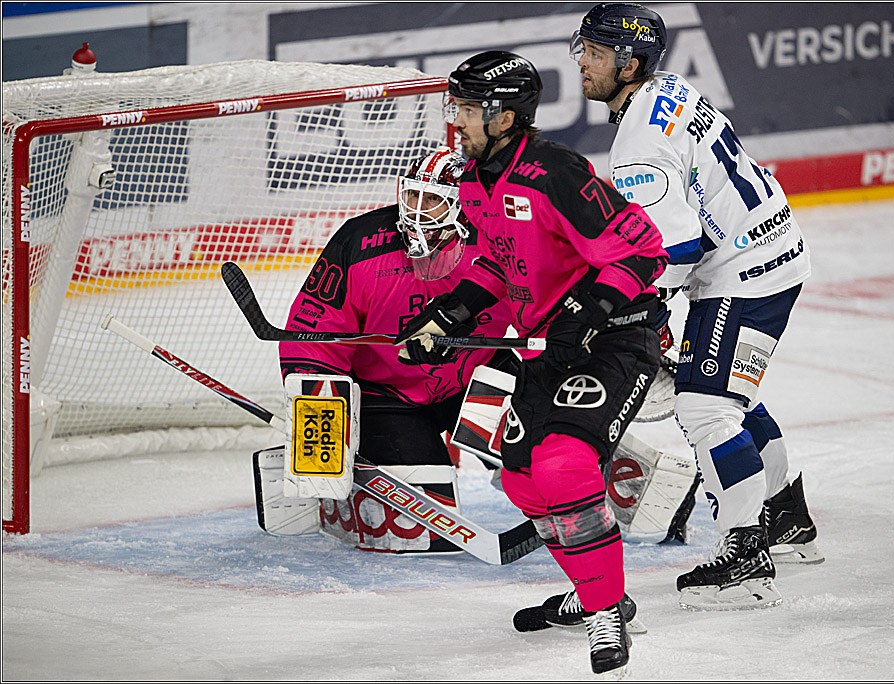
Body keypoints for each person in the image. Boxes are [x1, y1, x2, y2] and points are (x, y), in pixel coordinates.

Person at [395, 51, 668, 676]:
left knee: (564, 464)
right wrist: (444, 319)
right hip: (544, 347)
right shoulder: (473, 180)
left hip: (614, 340)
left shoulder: (555, 174)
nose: (457, 120)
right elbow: (497, 265)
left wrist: (584, 311)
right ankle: (598, 590)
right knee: (521, 478)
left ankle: (604, 614)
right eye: (457, 107)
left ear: (504, 116)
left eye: (468, 109)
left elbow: (644, 252)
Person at [571, 3, 824, 611]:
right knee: (730, 393)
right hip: (771, 249)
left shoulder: (637, 144)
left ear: (629, 64)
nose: (582, 63)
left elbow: (679, 245)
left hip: (745, 272)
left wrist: (642, 308)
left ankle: (745, 557)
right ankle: (786, 517)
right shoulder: (666, 87)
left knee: (706, 407)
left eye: (597, 53)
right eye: (583, 49)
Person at [272, 145, 517, 555]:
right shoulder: (360, 241)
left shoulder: (499, 241)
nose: (417, 209)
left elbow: (542, 309)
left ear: (464, 204)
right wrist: (318, 415)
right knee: (427, 534)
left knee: (546, 461)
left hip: (475, 379)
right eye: (412, 195)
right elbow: (314, 330)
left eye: (433, 199)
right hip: (386, 395)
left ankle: (552, 480)